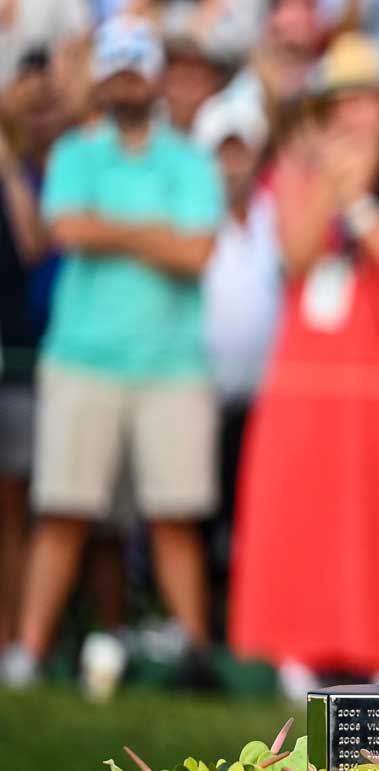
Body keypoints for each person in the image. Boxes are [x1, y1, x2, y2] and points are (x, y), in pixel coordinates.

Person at [4, 17, 224, 693]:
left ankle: (196, 658)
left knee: (175, 514)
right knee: (64, 509)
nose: (128, 75)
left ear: (155, 75)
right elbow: (66, 228)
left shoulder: (189, 159)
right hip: (84, 360)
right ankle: (29, 652)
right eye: (117, 64)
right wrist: (152, 233)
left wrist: (114, 231)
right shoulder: (75, 152)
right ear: (101, 75)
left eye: (138, 63)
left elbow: (196, 251)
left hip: (172, 366)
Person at [228, 34, 379, 692]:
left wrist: (359, 200)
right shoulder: (297, 173)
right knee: (302, 502)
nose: (354, 112)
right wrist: (327, 181)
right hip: (306, 368)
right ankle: (298, 646)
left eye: (365, 99)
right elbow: (295, 258)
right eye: (341, 100)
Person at [193, 92, 279, 635]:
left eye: (240, 152)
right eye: (222, 153)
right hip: (200, 393)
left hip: (263, 399)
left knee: (252, 520)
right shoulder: (191, 216)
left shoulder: (272, 214)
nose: (232, 165)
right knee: (202, 518)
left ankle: (244, 631)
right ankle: (204, 632)